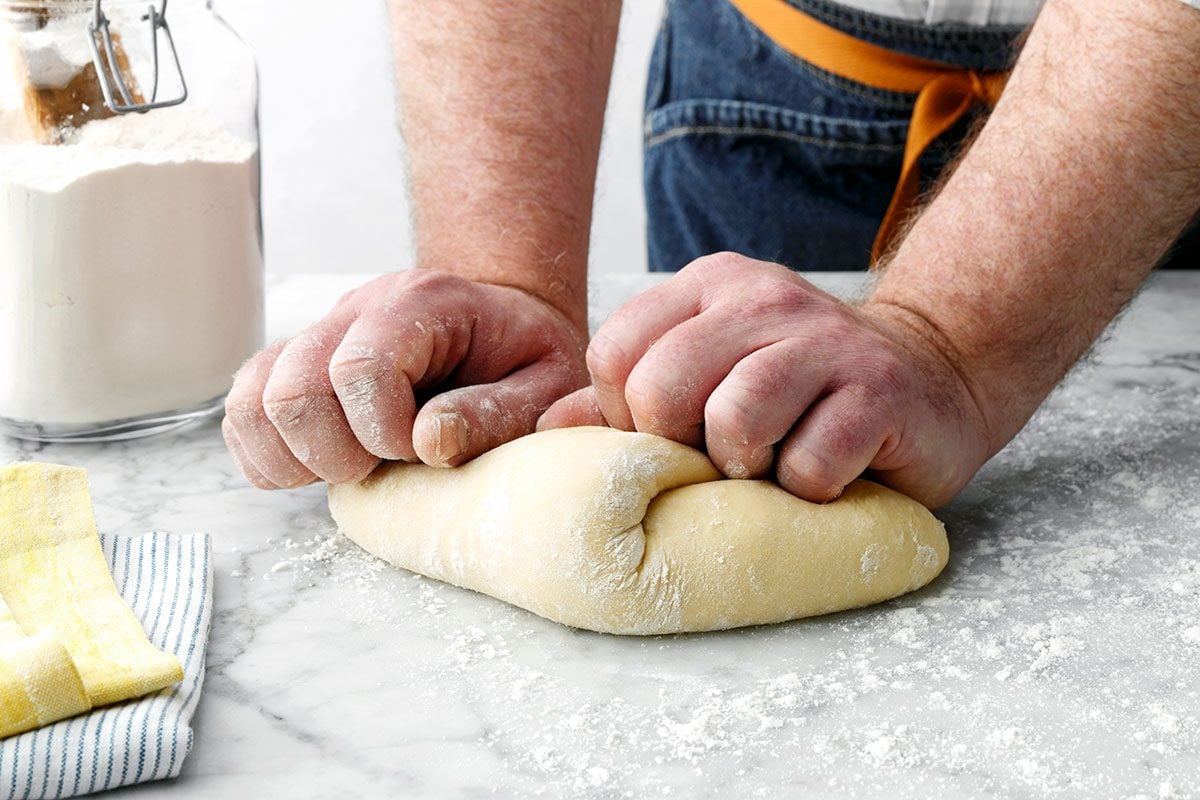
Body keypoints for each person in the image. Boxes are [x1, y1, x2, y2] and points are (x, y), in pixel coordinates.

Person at [223, 0, 1200, 508]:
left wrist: (951, 341)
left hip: (1168, 103)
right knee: (716, 439)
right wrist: (503, 273)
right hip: (781, 77)